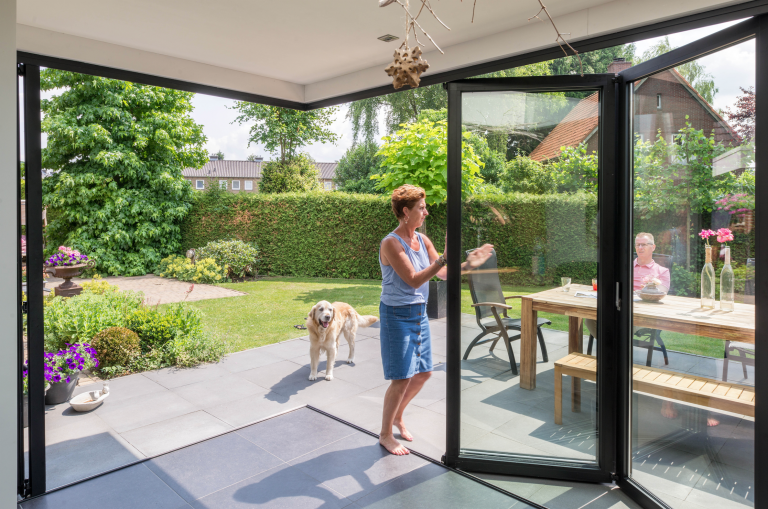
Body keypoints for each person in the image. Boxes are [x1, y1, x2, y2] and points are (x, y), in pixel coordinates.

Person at [378, 184, 493, 455]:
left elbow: (443, 273)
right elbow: (414, 279)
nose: (426, 212)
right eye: (421, 208)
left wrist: (468, 265)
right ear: (406, 212)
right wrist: (443, 258)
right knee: (402, 378)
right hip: (396, 315)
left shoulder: (423, 240)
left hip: (419, 314)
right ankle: (385, 434)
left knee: (424, 373)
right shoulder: (391, 243)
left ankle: (398, 415)